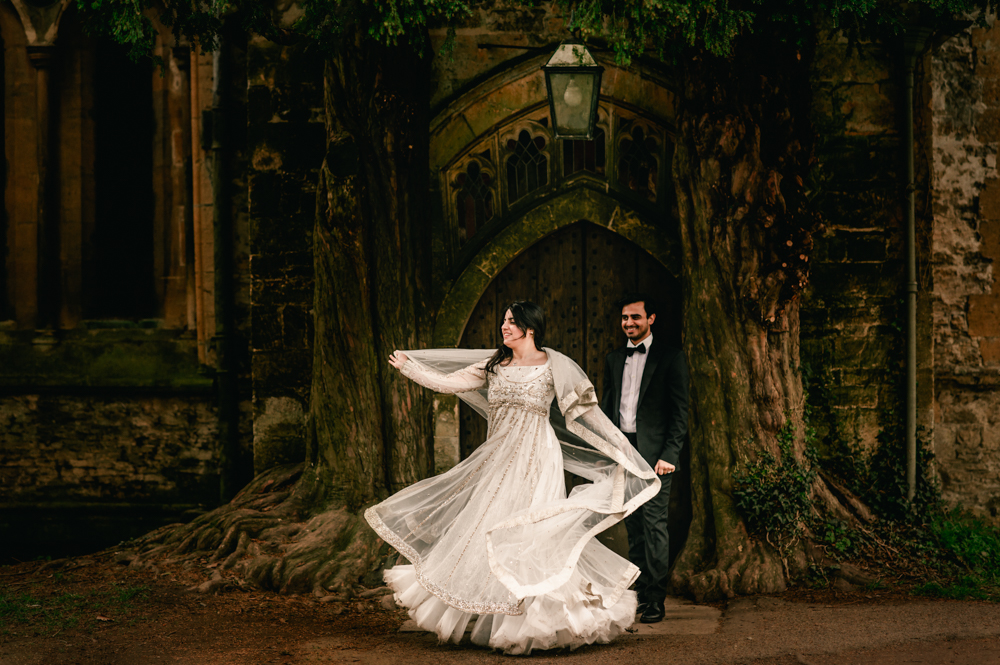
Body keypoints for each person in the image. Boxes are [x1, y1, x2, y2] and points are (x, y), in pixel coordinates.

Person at [365, 301, 659, 655]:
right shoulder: (494, 365)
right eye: (503, 321)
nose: (504, 327)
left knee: (534, 535)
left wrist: (623, 452)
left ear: (530, 328)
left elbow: (589, 415)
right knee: (489, 526)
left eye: (511, 322)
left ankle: (539, 623)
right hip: (500, 458)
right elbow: (448, 383)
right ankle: (498, 615)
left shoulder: (555, 366)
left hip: (538, 458)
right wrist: (411, 369)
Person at [600, 293, 688, 624]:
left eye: (636, 317)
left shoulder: (671, 358)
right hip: (623, 451)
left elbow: (680, 413)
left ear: (650, 319)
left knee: (654, 525)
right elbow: (608, 410)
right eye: (625, 318)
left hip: (656, 456)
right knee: (633, 525)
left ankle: (656, 599)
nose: (629, 323)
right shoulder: (612, 359)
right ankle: (636, 594)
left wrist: (669, 455)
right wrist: (607, 451)